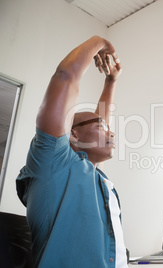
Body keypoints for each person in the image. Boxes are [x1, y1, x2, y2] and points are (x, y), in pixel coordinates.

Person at [16, 36, 127, 267]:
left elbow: (101, 119)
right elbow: (65, 78)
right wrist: (101, 41)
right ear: (73, 135)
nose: (112, 133)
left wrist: (111, 82)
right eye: (101, 128)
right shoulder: (53, 161)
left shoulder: (93, 175)